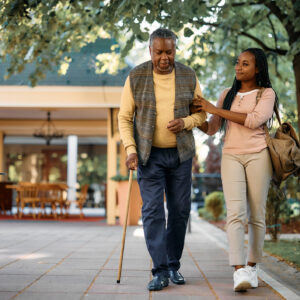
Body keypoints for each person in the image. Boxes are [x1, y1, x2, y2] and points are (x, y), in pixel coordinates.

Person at [118, 28, 206, 291]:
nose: (165, 57)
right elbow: (124, 117)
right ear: (150, 51)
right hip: (149, 155)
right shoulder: (136, 76)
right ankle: (159, 270)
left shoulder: (189, 75)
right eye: (160, 52)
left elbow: (201, 115)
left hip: (180, 155)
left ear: (175, 50)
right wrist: (130, 149)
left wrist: (186, 122)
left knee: (180, 211)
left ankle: (173, 264)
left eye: (169, 51)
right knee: (153, 211)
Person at [191, 48, 276, 292]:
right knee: (235, 213)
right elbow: (212, 128)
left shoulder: (266, 94)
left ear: (257, 68)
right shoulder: (226, 94)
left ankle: (252, 266)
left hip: (259, 155)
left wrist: (213, 108)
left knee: (257, 215)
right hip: (231, 156)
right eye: (237, 63)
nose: (238, 67)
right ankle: (239, 271)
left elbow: (252, 120)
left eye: (245, 64)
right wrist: (195, 117)